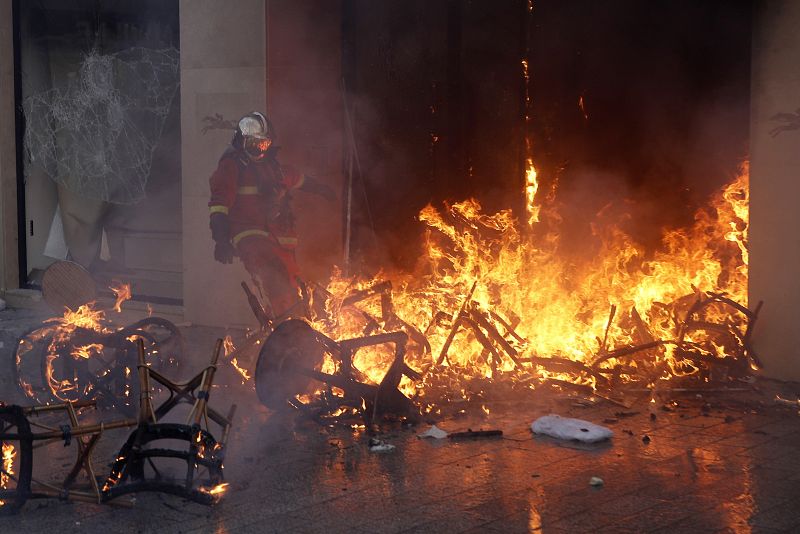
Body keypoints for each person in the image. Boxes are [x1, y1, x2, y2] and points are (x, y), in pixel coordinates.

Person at [208, 111, 335, 318]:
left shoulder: (273, 169)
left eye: (264, 144)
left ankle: (295, 329)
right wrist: (221, 240)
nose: (259, 149)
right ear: (241, 141)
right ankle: (288, 330)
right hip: (251, 237)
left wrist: (322, 189)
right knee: (275, 279)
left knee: (293, 290)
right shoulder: (231, 167)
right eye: (254, 143)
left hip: (279, 243)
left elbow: (298, 179)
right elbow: (219, 206)